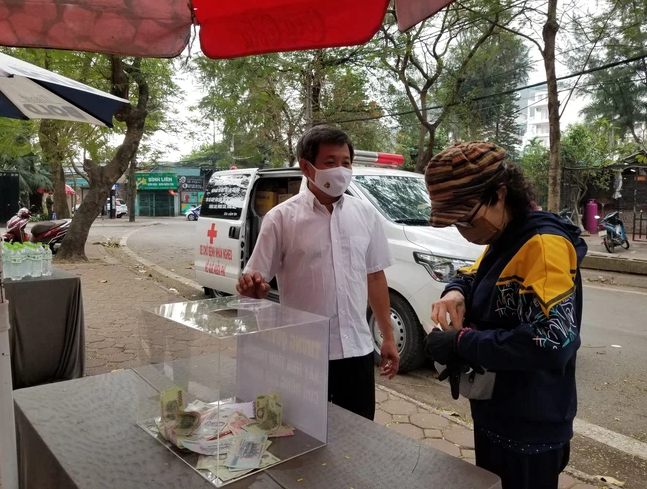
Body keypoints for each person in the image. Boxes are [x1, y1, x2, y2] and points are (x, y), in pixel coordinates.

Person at [423, 142, 587, 489]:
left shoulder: (542, 245)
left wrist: (462, 342)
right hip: (499, 412)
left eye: (465, 218)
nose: (462, 230)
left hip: (529, 424)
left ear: (500, 195)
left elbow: (553, 339)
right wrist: (455, 290)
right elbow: (474, 273)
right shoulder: (504, 237)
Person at [236, 125, 399, 420]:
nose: (340, 169)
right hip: (303, 353)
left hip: (357, 351)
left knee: (357, 435)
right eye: (330, 162)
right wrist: (253, 289)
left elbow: (375, 277)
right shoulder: (281, 219)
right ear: (307, 168)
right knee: (303, 435)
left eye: (346, 162)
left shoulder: (366, 215)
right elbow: (256, 281)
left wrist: (387, 336)